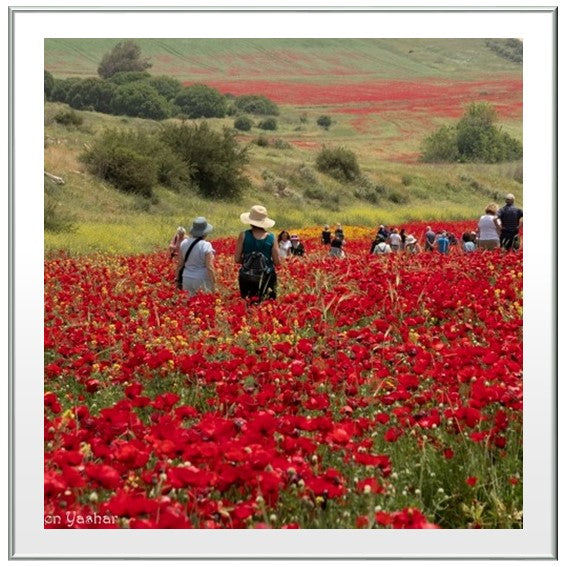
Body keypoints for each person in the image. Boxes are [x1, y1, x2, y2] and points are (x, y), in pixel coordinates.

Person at [235, 205, 280, 301]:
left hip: (246, 278)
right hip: (267, 277)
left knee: (248, 305)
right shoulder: (271, 237)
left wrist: (249, 261)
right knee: (268, 306)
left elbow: (237, 259)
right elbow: (277, 262)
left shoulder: (243, 235)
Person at [177, 217, 216, 296]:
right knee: (203, 303)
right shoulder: (206, 245)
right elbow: (209, 267)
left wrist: (177, 279)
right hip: (201, 278)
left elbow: (180, 264)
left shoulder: (184, 243)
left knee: (189, 304)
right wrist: (213, 283)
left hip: (186, 277)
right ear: (204, 233)